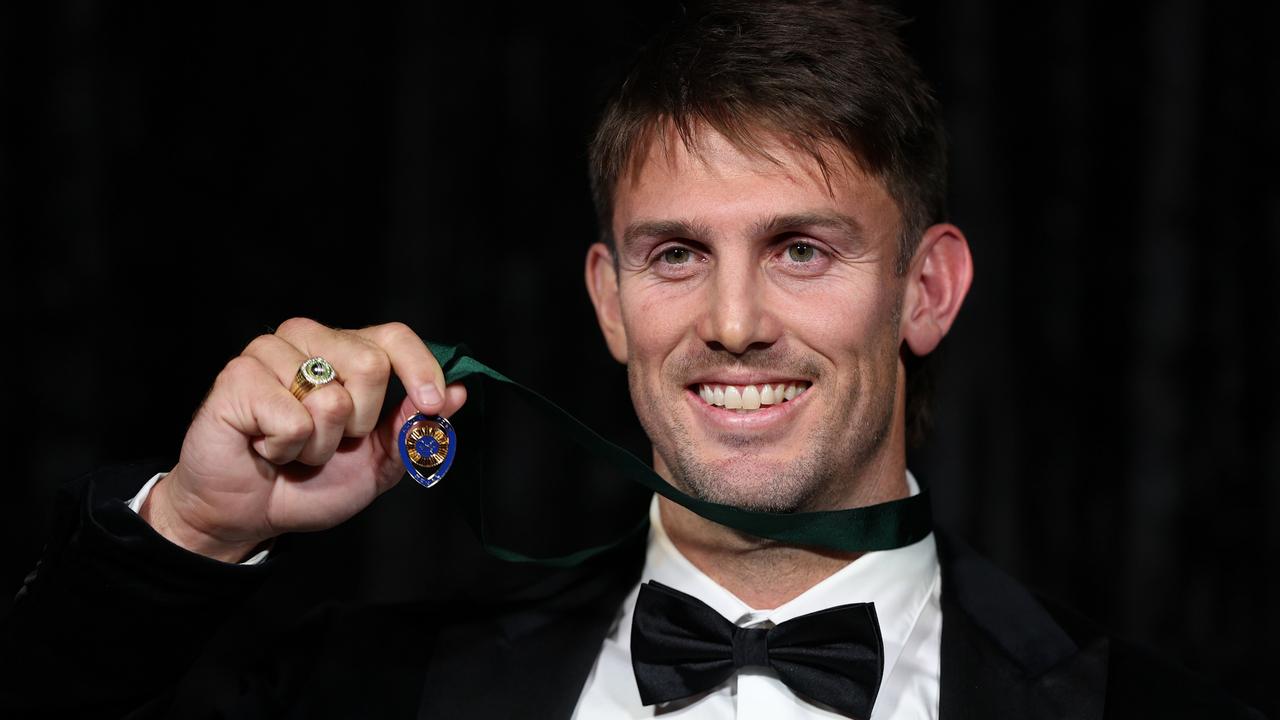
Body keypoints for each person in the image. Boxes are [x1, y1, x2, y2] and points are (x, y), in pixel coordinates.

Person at [1, 1, 1262, 718]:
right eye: (672, 255)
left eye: (801, 250)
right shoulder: (364, 693)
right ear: (607, 303)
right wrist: (195, 532)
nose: (729, 322)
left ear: (922, 290)